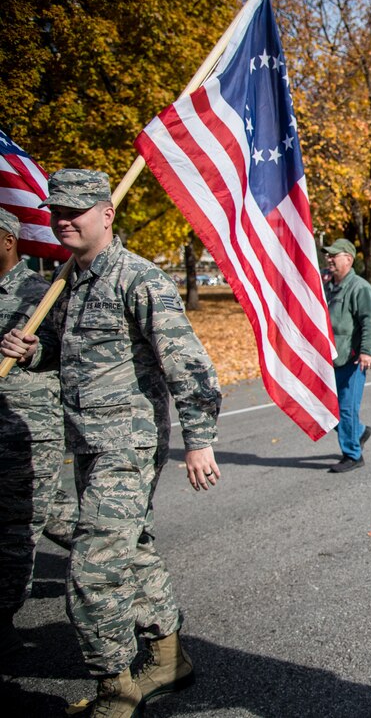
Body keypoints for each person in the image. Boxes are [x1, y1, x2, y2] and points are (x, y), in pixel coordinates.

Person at [0, 169, 222, 718]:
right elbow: (66, 353)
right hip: (88, 442)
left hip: (128, 445)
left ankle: (115, 688)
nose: (63, 220)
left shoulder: (138, 278)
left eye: (76, 210)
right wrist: (31, 350)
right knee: (133, 548)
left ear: (107, 213)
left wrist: (200, 441)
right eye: (57, 211)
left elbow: (189, 365)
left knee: (92, 569)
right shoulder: (69, 279)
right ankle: (170, 659)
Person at [0, 208, 64, 657]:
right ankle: (121, 550)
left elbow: (72, 350)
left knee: (14, 531)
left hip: (25, 432)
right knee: (58, 515)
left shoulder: (41, 293)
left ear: (7, 241)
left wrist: (35, 349)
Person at [322, 238, 371, 473]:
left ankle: (353, 455)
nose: (329, 259)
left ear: (348, 259)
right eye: (328, 255)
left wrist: (367, 351)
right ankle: (358, 431)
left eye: (334, 255)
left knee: (345, 409)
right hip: (328, 360)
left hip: (352, 359)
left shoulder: (360, 287)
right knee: (325, 409)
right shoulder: (326, 286)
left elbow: (369, 321)